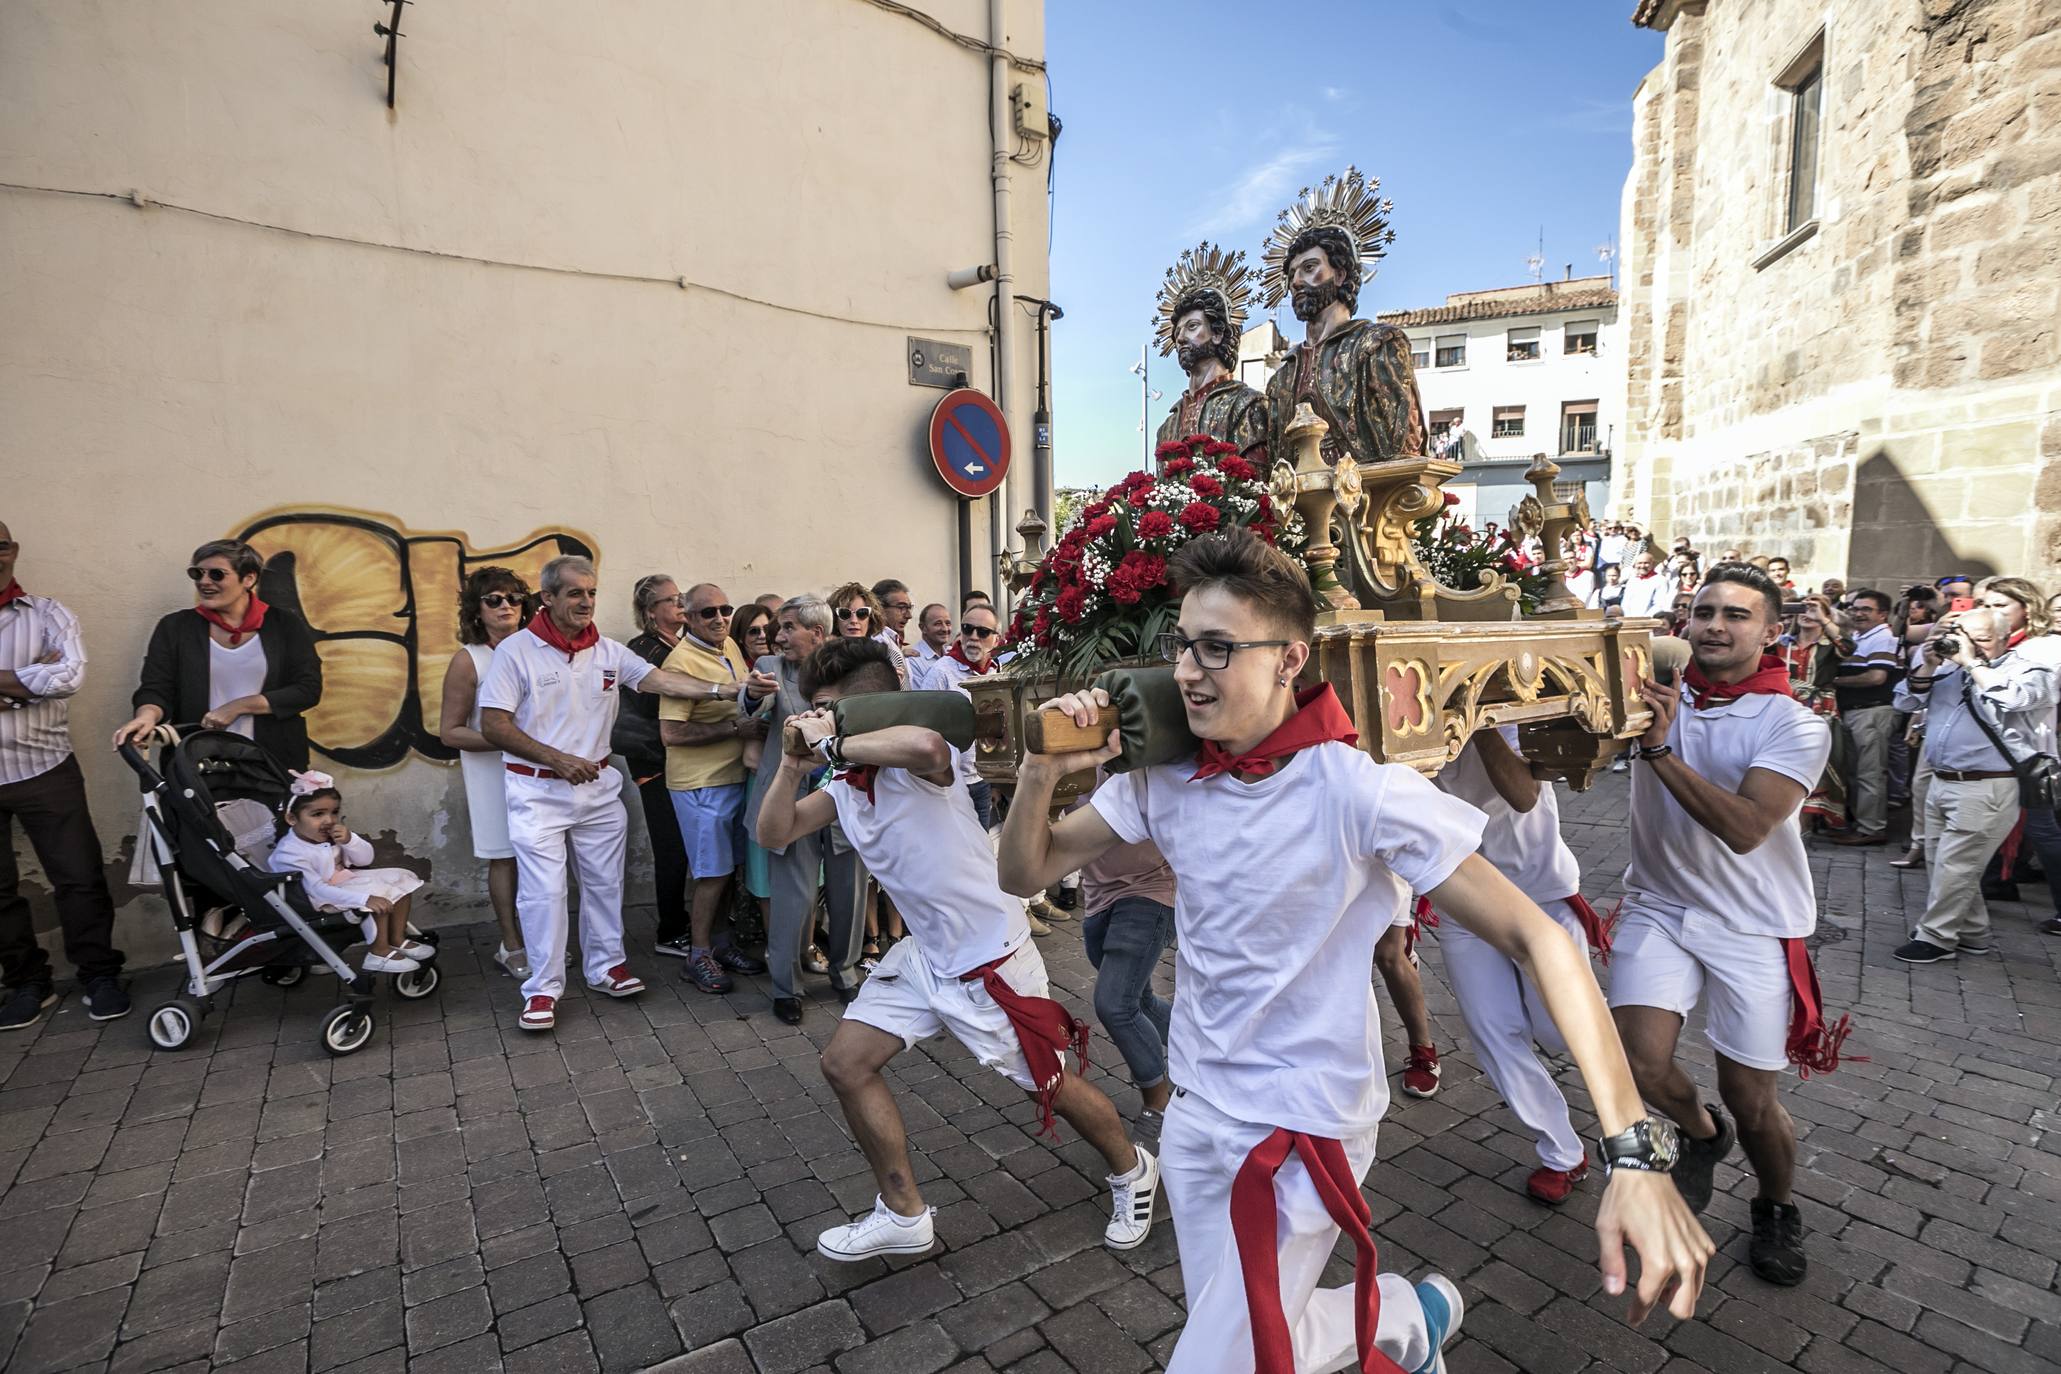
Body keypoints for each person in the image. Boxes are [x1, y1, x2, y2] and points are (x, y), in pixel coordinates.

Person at [1002, 530, 1711, 1373]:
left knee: (1217, 1362)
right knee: (1254, 1334)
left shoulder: (1361, 792)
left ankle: (1407, 1311)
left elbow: (1539, 939)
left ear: (1286, 660)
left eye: (1217, 648)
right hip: (1195, 1112)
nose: (1188, 670)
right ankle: (1411, 1314)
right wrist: (1042, 772)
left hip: (1304, 1121)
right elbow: (1026, 869)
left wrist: (1629, 1146)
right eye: (1182, 645)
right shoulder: (1160, 781)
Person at [758, 637, 1159, 1262]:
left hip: (990, 957)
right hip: (926, 956)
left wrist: (833, 737)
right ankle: (903, 1214)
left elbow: (923, 746)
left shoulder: (922, 757)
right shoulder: (843, 783)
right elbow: (774, 831)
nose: (816, 719)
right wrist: (791, 764)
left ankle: (1133, 1169)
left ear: (873, 709)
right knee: (845, 1064)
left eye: (833, 708)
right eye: (815, 707)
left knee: (1047, 1083)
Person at [1612, 561, 1840, 1287]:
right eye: (1703, 611)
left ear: (1771, 632)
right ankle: (1700, 1136)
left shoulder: (1794, 723)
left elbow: (1744, 828)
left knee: (1753, 1099)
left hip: (1750, 924)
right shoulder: (1647, 695)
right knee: (1641, 1065)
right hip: (1658, 903)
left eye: (1735, 615)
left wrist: (1657, 749)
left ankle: (1775, 1206)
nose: (1713, 625)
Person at [478, 555, 744, 1032]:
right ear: (549, 598)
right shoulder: (515, 651)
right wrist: (555, 758)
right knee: (544, 894)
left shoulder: (607, 651)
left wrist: (726, 691)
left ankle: (606, 968)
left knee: (604, 885)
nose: (586, 602)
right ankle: (542, 988)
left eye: (592, 592)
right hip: (537, 791)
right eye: (575, 593)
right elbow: (493, 723)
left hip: (599, 788)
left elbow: (658, 679)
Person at [1427, 726, 1611, 1204]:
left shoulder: (1514, 705)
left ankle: (1632, 1111)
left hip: (1540, 891)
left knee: (1562, 1033)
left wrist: (1474, 720)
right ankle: (1562, 1153)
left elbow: (1524, 795)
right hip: (1463, 895)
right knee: (1495, 1032)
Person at [0, 521, 129, 1029]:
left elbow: (69, 675)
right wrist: (28, 681)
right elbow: (47, 679)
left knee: (78, 878)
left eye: (1, 545)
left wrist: (31, 682)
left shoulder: (49, 614)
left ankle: (99, 975)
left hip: (44, 769)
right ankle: (27, 982)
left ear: (14, 551)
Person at [1893, 605, 2057, 961]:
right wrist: (1929, 663)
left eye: (1982, 640)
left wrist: (1972, 663)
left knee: (1957, 865)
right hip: (1942, 780)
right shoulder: (1948, 668)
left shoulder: (2030, 670)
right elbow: (1905, 700)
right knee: (1941, 863)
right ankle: (1972, 931)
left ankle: (1936, 937)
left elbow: (2014, 698)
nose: (1972, 646)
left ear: (2004, 637)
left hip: (1990, 785)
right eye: (1967, 638)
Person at [740, 595, 868, 1024]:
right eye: (779, 626)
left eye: (788, 626)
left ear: (817, 632)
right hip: (790, 804)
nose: (778, 635)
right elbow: (753, 700)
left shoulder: (850, 666)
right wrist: (749, 694)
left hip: (844, 798)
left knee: (849, 890)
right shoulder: (773, 669)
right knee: (792, 899)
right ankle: (785, 987)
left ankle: (845, 973)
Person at [113, 539, 323, 769]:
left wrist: (238, 706)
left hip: (273, 763)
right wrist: (147, 716)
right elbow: (157, 688)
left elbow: (307, 689)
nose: (204, 582)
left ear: (249, 579)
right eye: (197, 573)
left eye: (217, 574)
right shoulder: (175, 627)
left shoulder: (284, 624)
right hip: (198, 764)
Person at [658, 582, 768, 994]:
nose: (720, 618)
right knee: (710, 873)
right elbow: (671, 733)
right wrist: (734, 728)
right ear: (687, 617)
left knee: (726, 871)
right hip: (701, 784)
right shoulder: (680, 662)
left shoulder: (729, 649)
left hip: (732, 777)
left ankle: (720, 945)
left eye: (725, 609)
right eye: (708, 612)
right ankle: (697, 954)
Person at [437, 567, 533, 980]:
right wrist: (509, 741)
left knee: (541, 858)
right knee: (505, 857)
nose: (506, 606)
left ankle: (541, 941)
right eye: (494, 599)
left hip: (538, 769)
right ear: (476, 611)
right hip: (491, 770)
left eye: (513, 598)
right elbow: (450, 731)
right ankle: (511, 945)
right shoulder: (470, 660)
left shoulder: (536, 650)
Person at [1073, 775, 1176, 1135]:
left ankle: (1159, 1104)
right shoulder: (1061, 735)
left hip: (1151, 886)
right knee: (1140, 1001)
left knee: (1115, 1003)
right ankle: (1208, 1048)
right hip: (1098, 897)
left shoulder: (1138, 738)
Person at [270, 772, 429, 974]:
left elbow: (365, 860)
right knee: (378, 894)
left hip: (341, 881)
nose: (329, 820)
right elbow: (316, 889)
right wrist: (364, 899)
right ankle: (378, 952)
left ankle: (397, 938)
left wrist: (350, 840)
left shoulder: (324, 836)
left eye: (334, 812)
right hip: (316, 899)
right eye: (318, 814)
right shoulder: (289, 853)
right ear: (292, 818)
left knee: (402, 878)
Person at [616, 575, 694, 960]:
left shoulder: (679, 644)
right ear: (650, 612)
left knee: (686, 846)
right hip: (656, 764)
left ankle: (683, 922)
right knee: (671, 848)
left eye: (682, 596)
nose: (681, 603)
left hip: (680, 761)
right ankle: (670, 929)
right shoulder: (642, 650)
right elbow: (649, 707)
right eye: (672, 599)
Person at [916, 602, 1002, 826]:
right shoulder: (941, 672)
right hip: (947, 784)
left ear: (997, 639)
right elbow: (922, 728)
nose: (973, 637)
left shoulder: (997, 673)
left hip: (982, 782)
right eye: (967, 629)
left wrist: (995, 782)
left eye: (983, 632)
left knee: (981, 854)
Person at [1830, 589, 1900, 846]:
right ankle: (1859, 823)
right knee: (1854, 771)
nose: (1858, 613)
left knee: (1869, 773)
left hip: (1872, 711)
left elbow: (1876, 677)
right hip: (1855, 712)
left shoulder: (1883, 637)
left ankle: (1872, 828)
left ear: (1882, 614)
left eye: (1866, 609)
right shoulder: (1859, 636)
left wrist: (1832, 682)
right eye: (1855, 608)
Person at [727, 600, 778, 943]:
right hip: (757, 780)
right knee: (759, 870)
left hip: (783, 782)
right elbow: (751, 747)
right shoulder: (754, 677)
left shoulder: (786, 671)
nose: (762, 636)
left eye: (767, 629)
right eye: (753, 631)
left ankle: (797, 942)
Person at [1779, 600, 1850, 831]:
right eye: (1803, 608)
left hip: (1821, 712)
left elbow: (1849, 648)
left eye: (1815, 609)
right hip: (1783, 711)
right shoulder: (1780, 643)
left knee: (1817, 767)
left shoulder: (1830, 646)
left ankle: (1803, 830)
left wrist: (1822, 618)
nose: (1806, 613)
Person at [831, 581, 908, 688]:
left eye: (862, 613)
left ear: (871, 619)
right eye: (845, 613)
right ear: (835, 619)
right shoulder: (824, 657)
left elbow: (902, 699)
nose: (854, 620)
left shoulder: (888, 654)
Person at [872, 578, 916, 657]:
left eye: (909, 608)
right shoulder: (878, 642)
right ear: (879, 608)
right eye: (902, 607)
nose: (909, 616)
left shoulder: (892, 638)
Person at [1622, 552, 1672, 620]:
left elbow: (1660, 604)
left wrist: (1644, 619)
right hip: (1630, 621)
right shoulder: (1632, 580)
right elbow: (1625, 603)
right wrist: (1628, 618)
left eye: (1646, 563)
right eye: (1639, 563)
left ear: (1653, 564)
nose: (1642, 566)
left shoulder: (1660, 580)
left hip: (1649, 621)